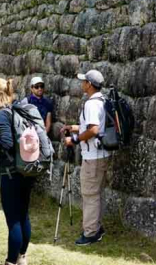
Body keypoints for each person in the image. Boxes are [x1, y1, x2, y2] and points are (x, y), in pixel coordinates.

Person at [61, 70, 111, 246]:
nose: (82, 84)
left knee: (89, 194)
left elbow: (94, 130)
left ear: (89, 84)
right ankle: (96, 227)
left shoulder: (91, 104)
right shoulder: (102, 100)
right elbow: (90, 126)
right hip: (101, 154)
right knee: (96, 193)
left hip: (92, 157)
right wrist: (74, 127)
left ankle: (91, 233)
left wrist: (73, 139)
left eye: (84, 81)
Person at [0, 78, 35, 265]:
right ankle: (22, 257)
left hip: (11, 173)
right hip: (27, 169)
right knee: (23, 214)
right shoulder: (20, 108)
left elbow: (7, 144)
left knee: (13, 220)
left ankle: (11, 261)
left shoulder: (2, 114)